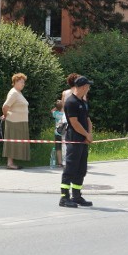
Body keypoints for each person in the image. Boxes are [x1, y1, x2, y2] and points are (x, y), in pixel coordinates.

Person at [60, 75, 94, 208]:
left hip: (83, 140)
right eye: (88, 86)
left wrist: (89, 135)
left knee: (81, 169)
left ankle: (77, 196)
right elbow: (74, 123)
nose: (89, 88)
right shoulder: (71, 102)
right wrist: (86, 134)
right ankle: (64, 197)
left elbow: (87, 120)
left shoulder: (82, 102)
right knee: (70, 169)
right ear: (84, 87)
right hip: (74, 140)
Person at [1, 73, 30, 170]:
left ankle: (11, 163)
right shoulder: (14, 92)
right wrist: (6, 115)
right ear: (15, 82)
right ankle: (10, 163)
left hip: (20, 122)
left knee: (16, 142)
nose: (23, 84)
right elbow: (5, 106)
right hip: (14, 122)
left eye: (24, 82)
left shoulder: (18, 93)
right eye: (21, 82)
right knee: (12, 142)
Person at [51, 98, 65, 167]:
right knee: (65, 147)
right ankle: (65, 161)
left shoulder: (55, 113)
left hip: (57, 133)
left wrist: (56, 107)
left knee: (58, 148)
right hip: (64, 133)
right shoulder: (65, 114)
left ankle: (59, 163)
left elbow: (52, 110)